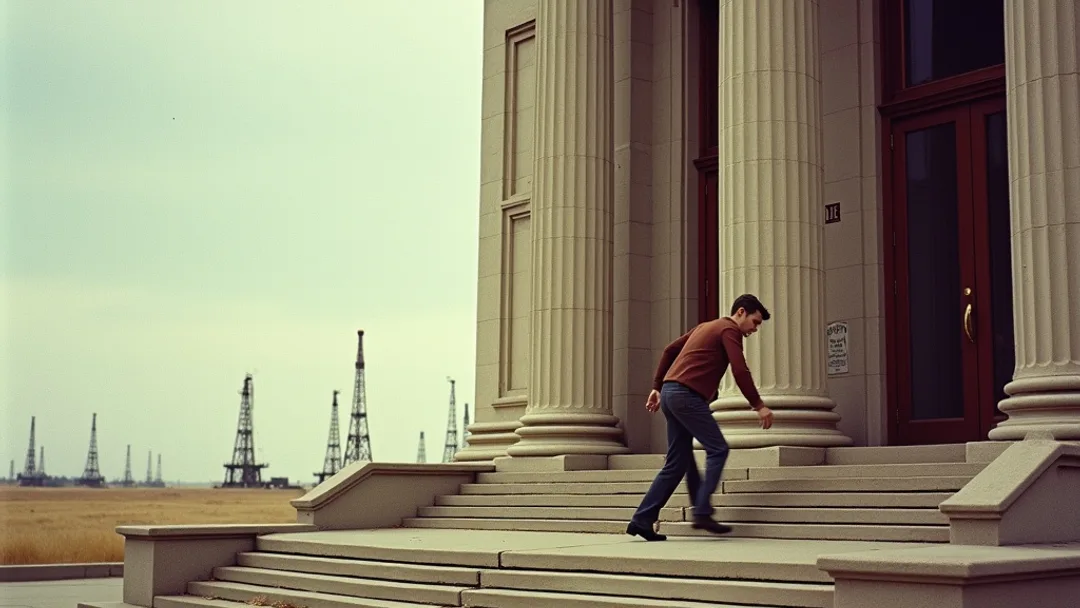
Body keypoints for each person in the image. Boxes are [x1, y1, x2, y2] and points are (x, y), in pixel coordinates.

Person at [625, 293, 774, 541]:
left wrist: (657, 387)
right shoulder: (729, 329)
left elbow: (669, 350)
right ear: (741, 312)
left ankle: (642, 519)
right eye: (755, 322)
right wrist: (758, 405)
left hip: (671, 394)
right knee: (718, 449)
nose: (755, 329)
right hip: (687, 396)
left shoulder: (706, 327)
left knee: (677, 463)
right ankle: (702, 510)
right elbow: (739, 369)